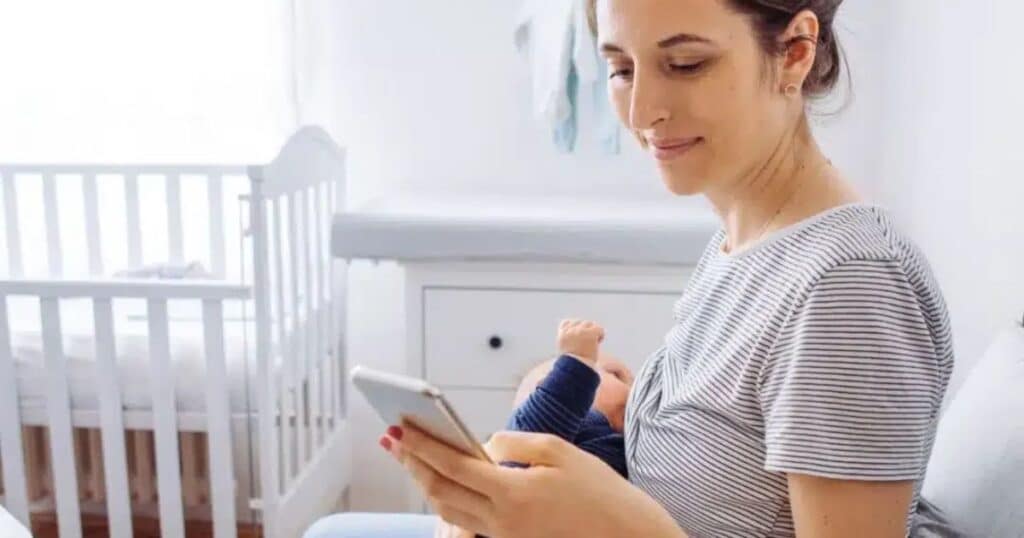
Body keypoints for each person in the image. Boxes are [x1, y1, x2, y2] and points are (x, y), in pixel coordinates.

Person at [306, 0, 957, 536]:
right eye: (621, 68)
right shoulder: (743, 242)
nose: (643, 111)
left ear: (793, 52)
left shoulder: (850, 287)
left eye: (685, 63)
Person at [505, 319, 630, 477]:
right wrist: (578, 361)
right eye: (617, 375)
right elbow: (527, 447)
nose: (632, 389)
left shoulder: (627, 440)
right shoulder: (575, 423)